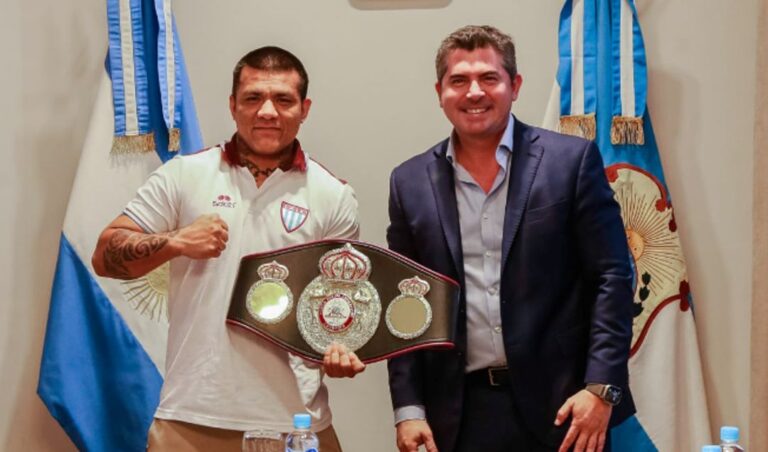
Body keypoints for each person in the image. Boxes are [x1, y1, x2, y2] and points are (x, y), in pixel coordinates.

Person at [92, 46, 365, 452]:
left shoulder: (333, 195)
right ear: (233, 105)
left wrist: (343, 350)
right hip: (191, 417)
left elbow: (340, 308)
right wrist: (176, 242)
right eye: (253, 97)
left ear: (304, 108)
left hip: (295, 423)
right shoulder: (185, 175)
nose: (267, 111)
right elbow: (105, 256)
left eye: (283, 99)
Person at [386, 25, 635, 452]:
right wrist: (408, 410)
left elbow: (612, 277)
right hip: (458, 417)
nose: (474, 92)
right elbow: (404, 304)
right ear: (439, 91)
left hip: (566, 412)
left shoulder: (570, 163)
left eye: (489, 78)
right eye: (458, 80)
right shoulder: (409, 183)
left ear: (514, 86)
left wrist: (601, 388)